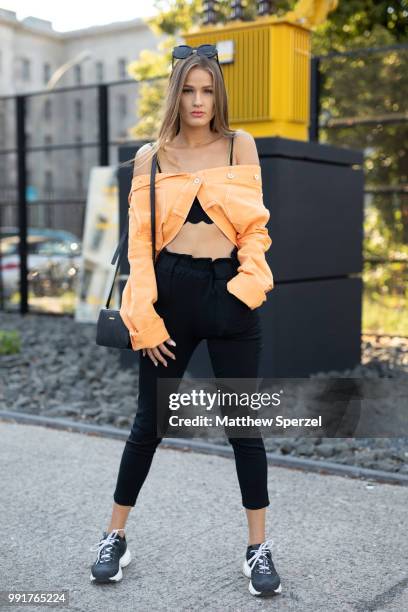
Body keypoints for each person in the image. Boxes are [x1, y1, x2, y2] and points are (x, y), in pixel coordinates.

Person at [89, 44, 281, 598]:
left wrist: (248, 286)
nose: (199, 101)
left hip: (230, 294)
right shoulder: (151, 158)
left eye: (208, 90)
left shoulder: (238, 146)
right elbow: (140, 248)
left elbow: (256, 228)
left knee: (245, 426)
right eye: (190, 90)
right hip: (169, 296)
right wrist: (143, 319)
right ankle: (114, 536)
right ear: (177, 94)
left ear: (218, 94)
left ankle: (258, 548)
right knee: (148, 424)